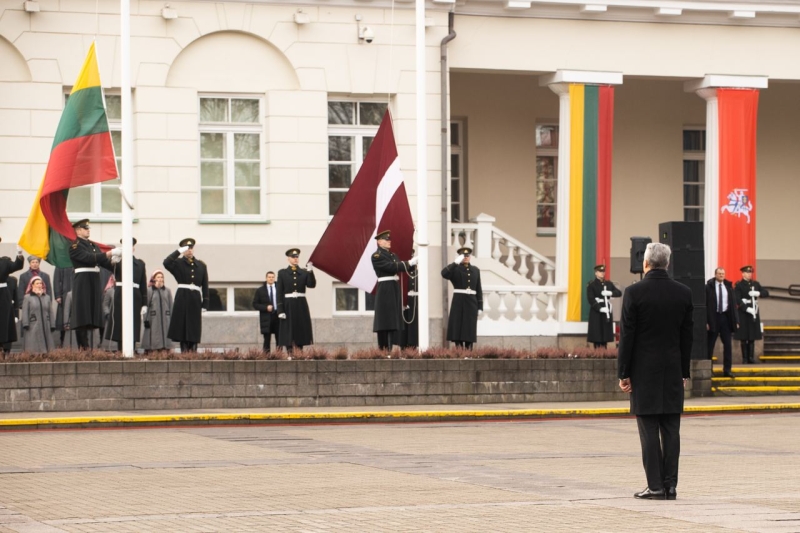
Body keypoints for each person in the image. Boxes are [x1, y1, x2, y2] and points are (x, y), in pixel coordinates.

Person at [618, 242, 693, 501]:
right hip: (672, 369)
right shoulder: (683, 293)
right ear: (668, 263)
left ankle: (655, 485)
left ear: (646, 263)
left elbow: (627, 336)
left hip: (644, 371)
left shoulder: (634, 293)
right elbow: (687, 337)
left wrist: (623, 373)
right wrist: (685, 372)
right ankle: (671, 485)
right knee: (671, 429)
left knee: (648, 428)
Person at [68, 219, 117, 350]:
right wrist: (109, 254)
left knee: (94, 313)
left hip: (94, 280)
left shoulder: (93, 245)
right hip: (83, 280)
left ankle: (95, 346)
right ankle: (83, 347)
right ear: (78, 230)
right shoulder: (75, 246)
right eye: (85, 228)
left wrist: (114, 262)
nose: (88, 230)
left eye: (88, 228)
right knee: (82, 314)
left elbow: (103, 262)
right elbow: (89, 258)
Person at [371, 230, 418, 350]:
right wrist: (408, 263)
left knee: (393, 319)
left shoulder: (393, 255)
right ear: (380, 242)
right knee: (386, 320)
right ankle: (385, 348)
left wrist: (413, 263)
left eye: (389, 239)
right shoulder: (377, 256)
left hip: (394, 287)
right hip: (385, 288)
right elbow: (391, 267)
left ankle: (391, 347)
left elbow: (401, 268)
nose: (389, 241)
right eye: (386, 240)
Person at [164, 238, 208, 352]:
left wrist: (205, 304)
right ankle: (184, 352)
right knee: (182, 326)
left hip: (195, 299)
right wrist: (178, 251)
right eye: (187, 248)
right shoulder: (178, 263)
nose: (189, 250)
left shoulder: (201, 265)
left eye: (191, 248)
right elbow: (166, 262)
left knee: (194, 327)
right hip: (182, 297)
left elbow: (205, 285)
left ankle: (193, 351)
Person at [103, 238, 148, 350]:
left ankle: (131, 349)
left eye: (130, 246)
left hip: (135, 296)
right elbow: (103, 262)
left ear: (133, 248)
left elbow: (143, 284)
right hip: (121, 295)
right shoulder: (117, 263)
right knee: (120, 324)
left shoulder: (140, 264)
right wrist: (113, 255)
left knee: (133, 325)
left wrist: (144, 303)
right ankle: (120, 350)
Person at [441, 246, 483, 350]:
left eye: (467, 255)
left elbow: (479, 289)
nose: (466, 257)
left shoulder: (475, 270)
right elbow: (444, 274)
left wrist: (480, 306)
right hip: (458, 302)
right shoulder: (455, 269)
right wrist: (455, 263)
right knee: (457, 329)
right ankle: (459, 353)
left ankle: (469, 353)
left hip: (472, 303)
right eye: (463, 256)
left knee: (469, 330)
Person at [277, 249, 316, 351]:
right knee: (288, 329)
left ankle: (299, 351)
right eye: (293, 257)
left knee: (300, 328)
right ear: (288, 259)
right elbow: (279, 292)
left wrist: (310, 271)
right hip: (288, 304)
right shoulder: (282, 273)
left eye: (296, 257)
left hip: (300, 304)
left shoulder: (303, 272)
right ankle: (289, 352)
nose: (295, 259)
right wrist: (280, 310)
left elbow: (311, 285)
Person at [706, 267, 738, 378]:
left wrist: (736, 320)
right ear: (715, 274)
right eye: (719, 274)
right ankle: (708, 370)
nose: (721, 275)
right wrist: (706, 321)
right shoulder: (709, 287)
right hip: (713, 318)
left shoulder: (728, 287)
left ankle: (727, 370)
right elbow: (706, 305)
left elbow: (733, 305)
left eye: (723, 274)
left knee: (728, 345)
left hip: (725, 318)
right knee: (710, 346)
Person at [734, 265, 769, 364]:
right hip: (744, 312)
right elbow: (737, 299)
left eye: (750, 272)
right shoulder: (739, 285)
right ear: (743, 273)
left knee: (752, 336)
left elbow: (766, 292)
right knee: (744, 336)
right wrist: (746, 308)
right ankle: (744, 358)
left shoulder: (755, 284)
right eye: (747, 272)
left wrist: (758, 293)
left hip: (754, 311)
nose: (749, 274)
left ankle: (751, 357)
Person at [586, 264, 622, 348]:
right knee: (597, 334)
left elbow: (619, 293)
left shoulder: (608, 284)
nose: (602, 273)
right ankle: (598, 352)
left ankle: (604, 351)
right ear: (596, 273)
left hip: (607, 310)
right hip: (597, 311)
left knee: (605, 334)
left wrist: (610, 293)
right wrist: (600, 308)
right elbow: (591, 299)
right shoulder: (591, 285)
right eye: (600, 271)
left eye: (603, 271)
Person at [1, 240, 24, 356]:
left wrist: (19, 253)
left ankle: (4, 349)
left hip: (2, 297)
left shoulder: (4, 262)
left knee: (3, 323)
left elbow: (17, 265)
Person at [141, 270, 173, 352]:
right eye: (158, 277)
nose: (160, 279)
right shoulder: (149, 291)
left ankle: (165, 348)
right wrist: (145, 319)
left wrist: (172, 318)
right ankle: (153, 350)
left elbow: (170, 305)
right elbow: (145, 306)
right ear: (154, 279)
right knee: (154, 336)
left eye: (162, 277)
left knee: (166, 334)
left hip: (165, 318)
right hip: (153, 318)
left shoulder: (167, 291)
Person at [21, 276, 55, 354]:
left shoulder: (47, 297)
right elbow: (25, 311)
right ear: (32, 285)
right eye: (37, 283)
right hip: (33, 324)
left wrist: (52, 324)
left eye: (40, 283)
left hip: (46, 324)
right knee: (33, 343)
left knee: (47, 343)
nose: (39, 285)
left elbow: (50, 312)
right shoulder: (27, 297)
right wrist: (25, 323)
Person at [253, 271, 280, 352]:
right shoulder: (260, 290)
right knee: (267, 339)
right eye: (269, 277)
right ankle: (266, 356)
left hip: (277, 316)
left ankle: (279, 355)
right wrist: (265, 307)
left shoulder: (279, 288)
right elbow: (255, 304)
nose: (271, 278)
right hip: (266, 317)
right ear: (266, 278)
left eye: (272, 277)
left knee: (279, 338)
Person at [399, 257, 419, 349]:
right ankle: (403, 346)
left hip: (415, 303)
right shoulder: (402, 274)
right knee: (404, 328)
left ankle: (413, 346)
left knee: (414, 328)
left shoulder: (419, 274)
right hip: (405, 302)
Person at [53, 266, 74, 347]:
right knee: (63, 318)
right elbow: (56, 280)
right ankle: (63, 341)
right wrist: (57, 295)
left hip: (76, 293)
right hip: (64, 295)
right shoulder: (60, 263)